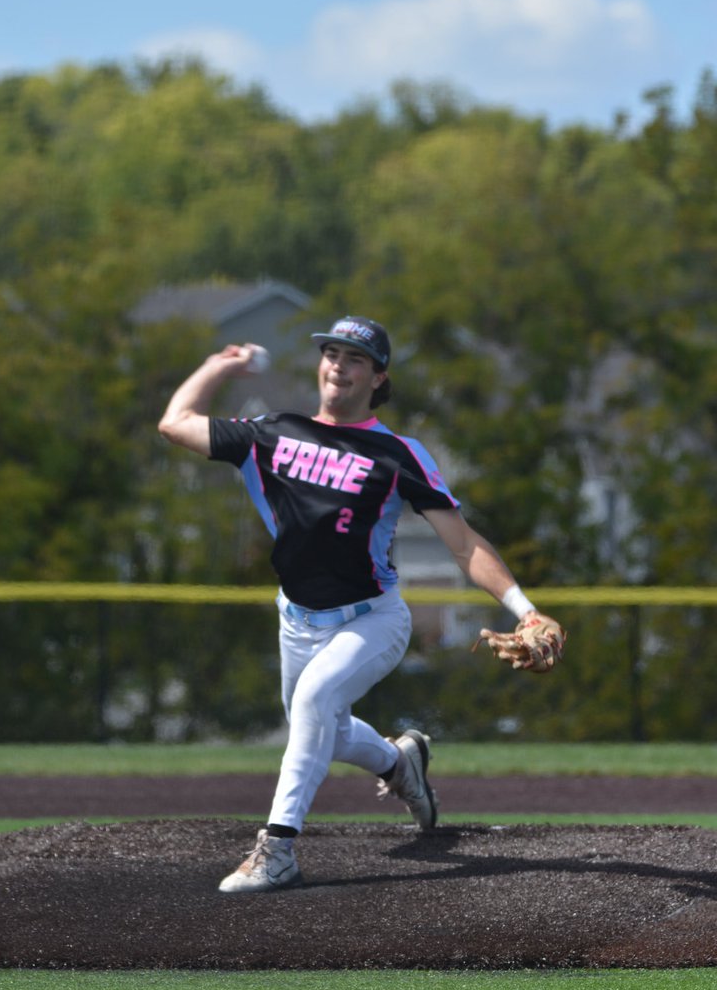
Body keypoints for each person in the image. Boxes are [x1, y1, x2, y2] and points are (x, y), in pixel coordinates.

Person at [158, 315, 543, 894]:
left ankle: (278, 850)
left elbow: (463, 545)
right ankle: (399, 762)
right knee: (323, 730)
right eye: (332, 353)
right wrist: (221, 365)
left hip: (373, 618)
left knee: (314, 703)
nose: (338, 364)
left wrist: (526, 610)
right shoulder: (271, 433)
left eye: (355, 358)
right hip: (297, 619)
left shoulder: (398, 454)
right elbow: (174, 423)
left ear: (378, 377)